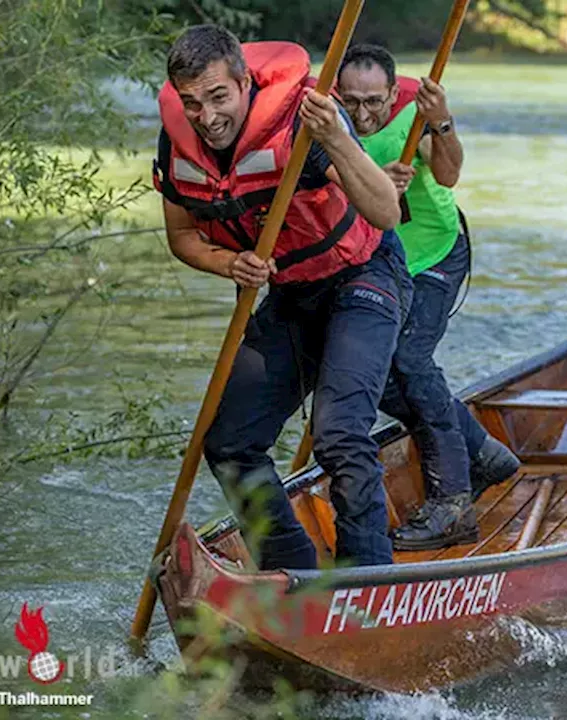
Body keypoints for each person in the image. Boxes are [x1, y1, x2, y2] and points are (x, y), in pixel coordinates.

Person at [152, 25, 411, 569]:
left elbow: (386, 211)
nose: (208, 117)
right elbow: (182, 238)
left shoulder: (304, 117)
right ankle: (291, 571)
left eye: (219, 97)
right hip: (292, 294)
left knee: (338, 434)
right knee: (228, 442)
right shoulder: (177, 143)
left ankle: (368, 575)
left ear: (245, 83)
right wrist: (229, 263)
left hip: (364, 277)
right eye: (192, 103)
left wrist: (335, 137)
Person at [336, 44, 520, 550]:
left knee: (409, 361)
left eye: (374, 101)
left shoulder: (414, 120)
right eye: (351, 101)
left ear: (393, 93)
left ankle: (452, 503)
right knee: (379, 375)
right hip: (378, 261)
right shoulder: (328, 125)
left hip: (436, 256)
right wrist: (373, 186)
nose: (363, 114)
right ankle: (483, 452)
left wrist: (442, 124)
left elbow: (450, 175)